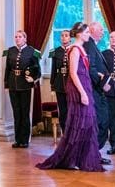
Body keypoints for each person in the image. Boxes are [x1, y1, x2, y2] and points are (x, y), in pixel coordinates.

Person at [36, 22, 104, 172]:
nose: (88, 34)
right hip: (78, 88)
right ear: (79, 34)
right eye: (86, 32)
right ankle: (71, 157)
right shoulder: (74, 49)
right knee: (79, 122)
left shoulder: (80, 48)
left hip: (84, 85)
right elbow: (73, 73)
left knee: (87, 123)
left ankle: (82, 157)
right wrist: (83, 93)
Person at [3, 29, 41, 148]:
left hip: (25, 85)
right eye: (16, 37)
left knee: (24, 113)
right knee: (16, 113)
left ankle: (24, 140)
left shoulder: (32, 51)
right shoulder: (11, 51)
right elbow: (8, 69)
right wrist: (6, 84)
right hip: (13, 84)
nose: (17, 39)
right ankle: (17, 139)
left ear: (25, 39)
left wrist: (33, 78)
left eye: (20, 37)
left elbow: (37, 69)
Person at [85, 22, 111, 163]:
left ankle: (94, 153)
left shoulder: (93, 45)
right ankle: (92, 154)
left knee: (102, 121)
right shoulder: (89, 45)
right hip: (94, 91)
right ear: (92, 30)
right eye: (100, 29)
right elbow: (91, 69)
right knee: (100, 122)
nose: (103, 32)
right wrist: (102, 84)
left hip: (98, 90)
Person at [49, 29, 71, 133]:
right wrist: (52, 86)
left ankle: (72, 133)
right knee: (62, 111)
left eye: (66, 35)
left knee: (71, 111)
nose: (64, 37)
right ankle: (64, 133)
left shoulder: (74, 50)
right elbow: (53, 70)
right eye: (62, 35)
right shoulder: (55, 52)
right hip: (59, 85)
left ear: (70, 38)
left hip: (71, 84)